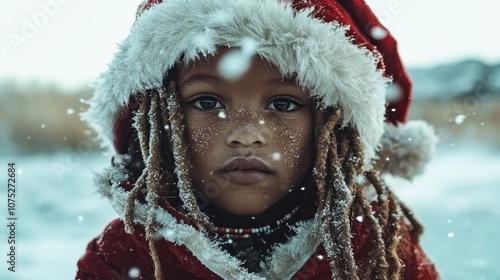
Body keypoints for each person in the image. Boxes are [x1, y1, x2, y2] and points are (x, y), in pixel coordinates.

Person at [76, 0, 440, 279]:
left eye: (283, 103)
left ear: (335, 127)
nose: (246, 135)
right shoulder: (122, 258)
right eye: (206, 101)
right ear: (157, 124)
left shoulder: (377, 251)